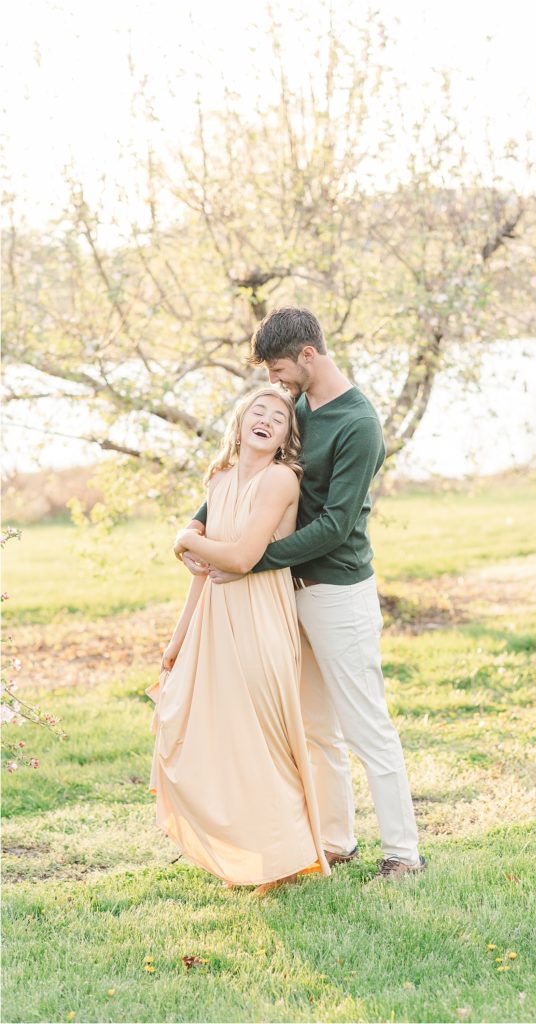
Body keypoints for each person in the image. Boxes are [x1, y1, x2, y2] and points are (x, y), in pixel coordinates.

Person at [180, 307, 425, 881]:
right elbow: (255, 467)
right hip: (288, 594)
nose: (275, 382)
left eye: (281, 368)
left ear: (309, 357)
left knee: (367, 727)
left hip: (338, 593)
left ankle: (404, 854)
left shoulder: (358, 424)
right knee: (315, 728)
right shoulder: (299, 409)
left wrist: (249, 560)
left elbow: (336, 525)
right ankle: (337, 841)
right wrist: (200, 523)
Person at [147, 386, 331, 895]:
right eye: (259, 410)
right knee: (222, 738)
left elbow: (243, 557)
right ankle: (252, 856)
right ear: (240, 421)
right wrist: (179, 638)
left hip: (261, 618)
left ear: (285, 439)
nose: (268, 419)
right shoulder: (220, 480)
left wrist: (186, 538)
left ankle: (286, 857)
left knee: (265, 742)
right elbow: (204, 572)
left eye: (279, 417)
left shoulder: (279, 480)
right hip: (213, 619)